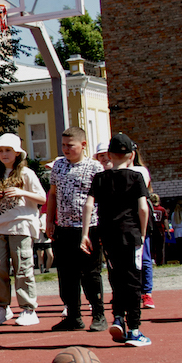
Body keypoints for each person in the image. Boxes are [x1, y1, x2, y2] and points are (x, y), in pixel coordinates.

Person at [81, 133, 151, 346]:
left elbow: (88, 205)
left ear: (109, 155)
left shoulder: (100, 178)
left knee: (116, 277)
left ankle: (118, 317)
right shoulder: (136, 177)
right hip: (130, 234)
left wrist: (85, 233)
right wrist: (143, 231)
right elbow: (142, 208)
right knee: (133, 280)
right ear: (131, 155)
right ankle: (135, 328)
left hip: (107, 234)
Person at [46, 126, 106, 332]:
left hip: (88, 228)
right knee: (66, 274)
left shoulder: (95, 168)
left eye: (70, 145)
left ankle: (98, 313)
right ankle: (73, 316)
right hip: (64, 228)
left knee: (91, 273)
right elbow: (52, 194)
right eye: (63, 145)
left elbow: (102, 198)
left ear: (83, 145)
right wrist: (49, 220)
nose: (66, 149)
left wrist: (95, 230)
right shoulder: (58, 166)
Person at [0, 133, 46, 327]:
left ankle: (28, 309)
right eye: (1, 151)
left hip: (21, 226)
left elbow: (42, 198)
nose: (4, 154)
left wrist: (22, 192)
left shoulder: (27, 174)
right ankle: (2, 308)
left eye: (8, 150)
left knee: (23, 268)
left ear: (17, 154)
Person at [131, 147, 156, 309]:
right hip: (123, 218)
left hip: (138, 216)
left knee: (144, 256)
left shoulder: (140, 171)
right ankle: (133, 291)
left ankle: (147, 293)